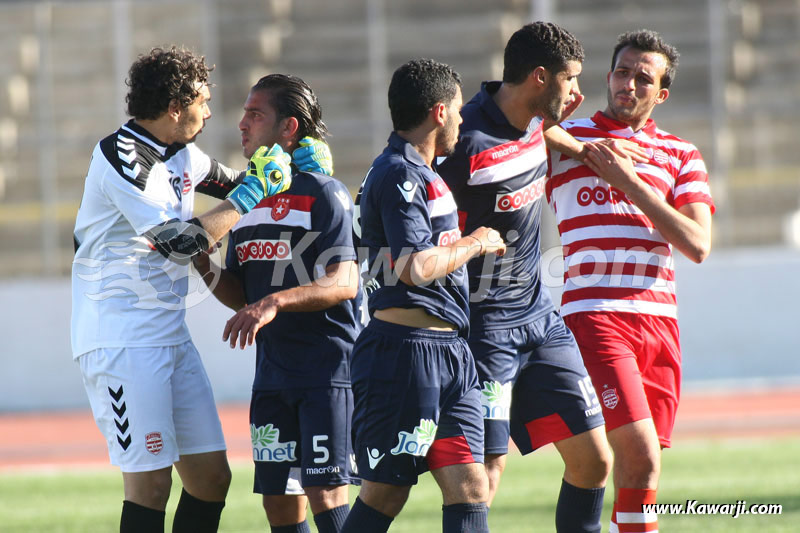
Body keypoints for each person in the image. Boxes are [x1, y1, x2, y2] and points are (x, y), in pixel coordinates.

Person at [71, 46, 330, 533]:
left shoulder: (185, 153)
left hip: (169, 336)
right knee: (150, 487)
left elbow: (243, 185)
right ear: (175, 107)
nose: (210, 112)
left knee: (211, 479)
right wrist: (254, 189)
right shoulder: (122, 155)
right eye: (202, 101)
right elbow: (182, 242)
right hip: (121, 339)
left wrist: (302, 172)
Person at [436, 22, 611, 532]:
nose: (579, 93)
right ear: (540, 77)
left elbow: (542, 131)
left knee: (594, 460)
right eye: (571, 80)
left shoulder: (535, 117)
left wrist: (584, 152)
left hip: (540, 317)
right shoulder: (463, 140)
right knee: (485, 475)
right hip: (484, 329)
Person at [546, 29, 714, 533]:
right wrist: (583, 148)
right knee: (637, 453)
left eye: (644, 78)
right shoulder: (570, 136)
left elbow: (697, 244)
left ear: (660, 93)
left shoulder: (680, 154)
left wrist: (627, 181)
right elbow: (517, 122)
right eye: (623, 72)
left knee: (638, 469)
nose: (630, 85)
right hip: (595, 314)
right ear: (608, 76)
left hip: (660, 325)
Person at [343, 58, 506, 533]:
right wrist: (475, 241)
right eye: (457, 110)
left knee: (471, 488)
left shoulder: (424, 172)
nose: (461, 119)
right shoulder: (398, 173)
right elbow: (413, 267)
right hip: (405, 356)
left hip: (450, 354)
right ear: (438, 112)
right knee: (385, 494)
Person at [192, 73, 360, 533]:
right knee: (279, 506)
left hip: (328, 373)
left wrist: (275, 302)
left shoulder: (325, 193)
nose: (242, 123)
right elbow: (241, 295)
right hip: (272, 375)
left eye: (255, 114)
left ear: (288, 129)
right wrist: (203, 264)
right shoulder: (243, 206)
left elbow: (344, 281)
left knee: (326, 495)